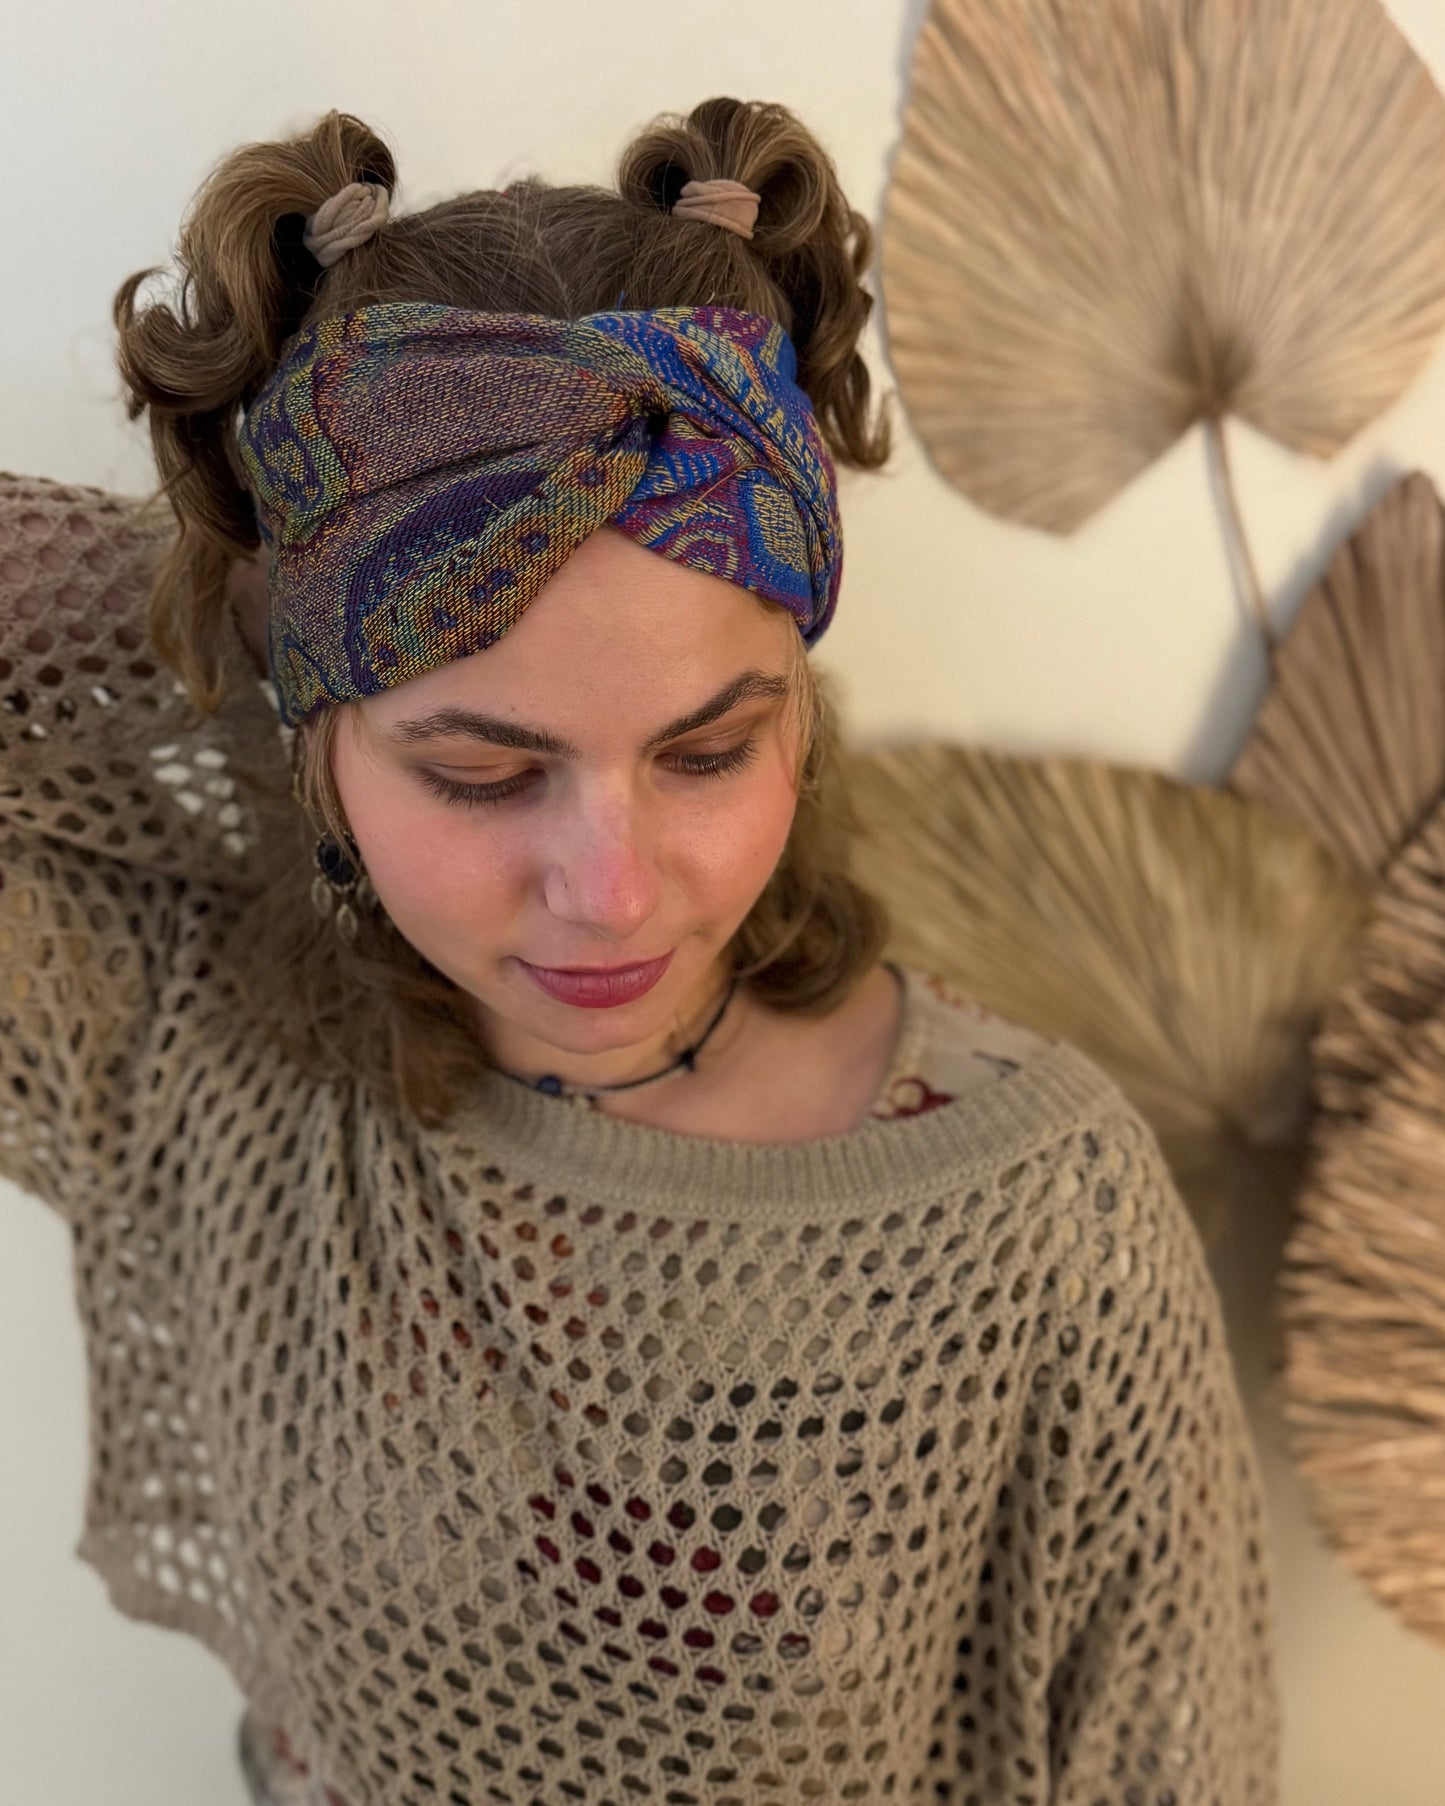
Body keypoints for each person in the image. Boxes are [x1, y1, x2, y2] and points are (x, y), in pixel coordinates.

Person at [0, 100, 1278, 1806]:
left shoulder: (1035, 1219)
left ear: (797, 717)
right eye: (480, 771)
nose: (610, 892)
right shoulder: (186, 1044)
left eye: (706, 751)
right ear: (322, 749)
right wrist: (244, 576)